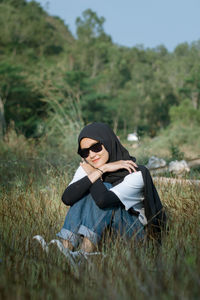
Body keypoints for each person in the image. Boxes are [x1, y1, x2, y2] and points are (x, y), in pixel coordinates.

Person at [56, 122, 166, 253]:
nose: (91, 155)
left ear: (108, 142)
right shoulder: (90, 168)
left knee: (103, 187)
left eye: (96, 147)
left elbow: (103, 200)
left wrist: (94, 174)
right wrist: (102, 169)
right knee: (83, 189)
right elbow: (67, 198)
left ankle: (85, 254)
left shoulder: (136, 173)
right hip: (105, 235)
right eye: (85, 152)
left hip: (133, 237)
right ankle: (64, 250)